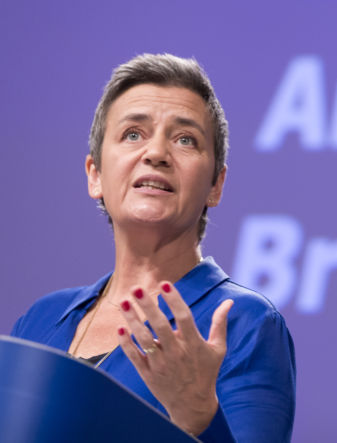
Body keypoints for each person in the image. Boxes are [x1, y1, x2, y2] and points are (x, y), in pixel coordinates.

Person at [10, 54, 296, 442]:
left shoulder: (244, 323)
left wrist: (200, 419)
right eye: (133, 134)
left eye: (185, 140)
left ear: (216, 185)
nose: (156, 153)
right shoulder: (41, 319)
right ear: (95, 175)